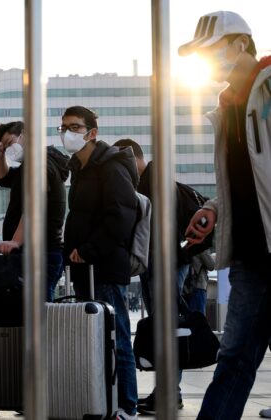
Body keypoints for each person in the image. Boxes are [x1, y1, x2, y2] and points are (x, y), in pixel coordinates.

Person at [177, 11, 271, 420]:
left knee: (235, 358)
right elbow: (248, 177)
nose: (209, 63)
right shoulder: (227, 104)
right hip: (252, 256)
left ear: (239, 43)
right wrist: (214, 209)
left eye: (213, 52)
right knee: (234, 358)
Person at [113, 138, 209, 414]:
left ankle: (169, 393)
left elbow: (160, 230)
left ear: (133, 158)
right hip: (163, 262)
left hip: (165, 263)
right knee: (164, 326)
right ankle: (167, 391)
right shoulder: (151, 181)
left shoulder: (153, 181)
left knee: (167, 327)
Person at [61, 106, 139, 420]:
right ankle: (101, 401)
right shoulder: (80, 169)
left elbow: (121, 215)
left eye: (75, 127)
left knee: (117, 336)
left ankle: (127, 405)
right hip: (85, 268)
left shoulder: (110, 166)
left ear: (92, 132)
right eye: (64, 127)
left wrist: (89, 249)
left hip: (105, 266)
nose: (68, 133)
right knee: (93, 340)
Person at [0, 121, 70, 302]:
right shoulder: (28, 166)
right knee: (31, 314)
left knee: (38, 315)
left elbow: (34, 205)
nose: (9, 149)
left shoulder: (39, 165)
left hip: (42, 252)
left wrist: (16, 241)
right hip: (36, 252)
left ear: (25, 134)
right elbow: (2, 178)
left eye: (10, 143)